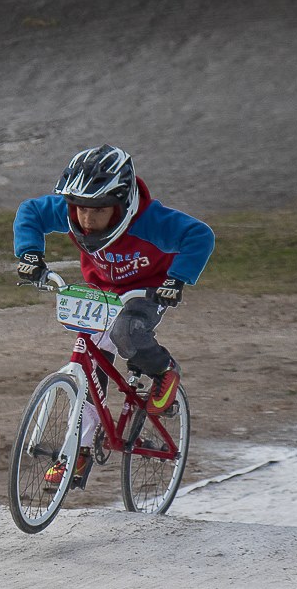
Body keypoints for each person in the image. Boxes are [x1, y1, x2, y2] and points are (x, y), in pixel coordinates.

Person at [12, 144, 214, 485]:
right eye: (79, 210)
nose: (87, 220)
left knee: (126, 333)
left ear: (123, 205)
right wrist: (30, 254)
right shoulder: (71, 211)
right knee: (89, 366)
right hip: (101, 292)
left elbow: (199, 235)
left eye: (99, 210)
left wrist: (177, 280)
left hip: (146, 291)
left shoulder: (150, 220)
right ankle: (80, 450)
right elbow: (30, 211)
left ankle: (164, 369)